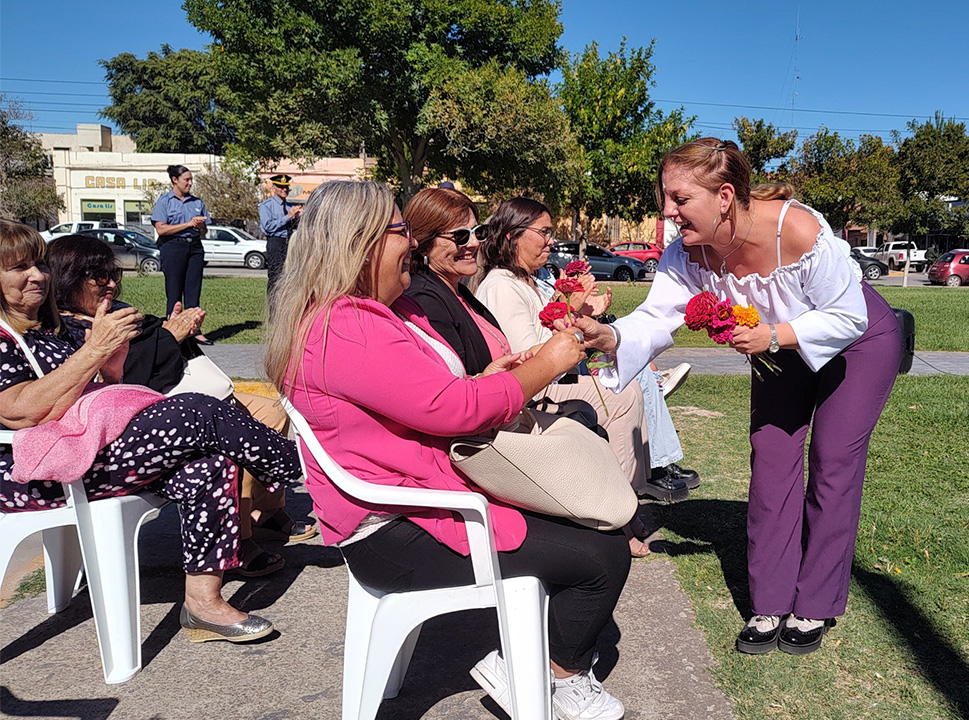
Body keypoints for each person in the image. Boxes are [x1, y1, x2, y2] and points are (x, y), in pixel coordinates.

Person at [263, 181, 630, 720]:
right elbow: (452, 409)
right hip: (395, 530)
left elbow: (424, 396)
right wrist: (548, 364)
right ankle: (554, 676)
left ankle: (542, 662)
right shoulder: (347, 326)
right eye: (398, 231)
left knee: (586, 527)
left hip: (408, 505)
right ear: (359, 244)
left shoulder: (350, 315)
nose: (409, 243)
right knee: (602, 554)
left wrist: (487, 377)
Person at [572, 138, 903, 655]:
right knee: (771, 457)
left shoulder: (798, 230)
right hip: (778, 345)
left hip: (858, 341)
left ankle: (814, 602)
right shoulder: (687, 252)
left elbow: (847, 316)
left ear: (724, 196)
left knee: (833, 459)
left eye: (680, 199)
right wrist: (611, 337)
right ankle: (770, 602)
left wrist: (773, 336)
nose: (667, 211)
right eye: (666, 197)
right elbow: (660, 316)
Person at [0, 220, 302, 643]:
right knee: (198, 410)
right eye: (18, 268)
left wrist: (122, 348)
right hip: (40, 475)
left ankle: (202, 604)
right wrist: (95, 350)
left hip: (92, 454)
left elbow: (107, 387)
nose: (37, 276)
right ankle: (304, 470)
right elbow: (18, 412)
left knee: (211, 465)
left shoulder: (57, 326)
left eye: (39, 264)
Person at [45, 233, 316, 578]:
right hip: (147, 418)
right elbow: (127, 379)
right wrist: (170, 336)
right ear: (68, 279)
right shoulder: (68, 330)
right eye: (98, 276)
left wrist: (174, 329)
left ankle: (263, 511)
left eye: (114, 273)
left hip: (182, 396)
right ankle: (249, 529)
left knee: (271, 412)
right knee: (229, 435)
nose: (110, 282)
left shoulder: (115, 313)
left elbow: (150, 353)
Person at [472, 198, 696, 509]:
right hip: (534, 388)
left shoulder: (533, 281)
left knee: (631, 379)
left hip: (558, 376)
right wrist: (572, 308)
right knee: (625, 395)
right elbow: (530, 358)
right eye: (544, 232)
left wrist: (585, 313)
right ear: (513, 235)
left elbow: (555, 332)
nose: (551, 241)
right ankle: (622, 502)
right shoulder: (502, 285)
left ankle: (636, 487)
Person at [150, 164, 212, 345]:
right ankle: (173, 330)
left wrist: (200, 226)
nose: (190, 183)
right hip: (173, 247)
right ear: (174, 180)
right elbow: (161, 229)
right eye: (186, 180)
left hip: (194, 247)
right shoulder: (164, 201)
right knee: (174, 290)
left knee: (193, 290)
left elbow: (203, 231)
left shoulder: (197, 202)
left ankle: (194, 329)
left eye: (191, 179)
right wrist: (188, 224)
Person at [258, 174, 302, 296]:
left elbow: (294, 226)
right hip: (276, 242)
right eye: (281, 187)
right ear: (274, 188)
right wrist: (288, 217)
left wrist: (298, 218)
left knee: (289, 275)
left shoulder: (290, 206)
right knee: (275, 277)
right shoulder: (267, 206)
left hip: (290, 242)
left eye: (286, 187)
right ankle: (273, 309)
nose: (284, 190)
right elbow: (268, 227)